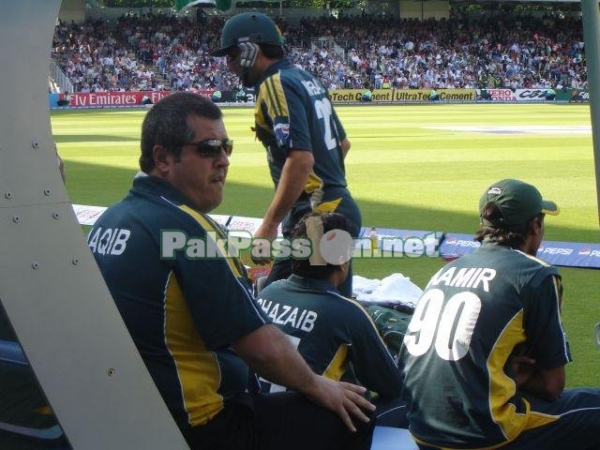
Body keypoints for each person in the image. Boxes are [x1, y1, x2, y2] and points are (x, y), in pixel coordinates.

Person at [87, 92, 375, 450]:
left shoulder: (109, 220)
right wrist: (320, 386)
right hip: (199, 424)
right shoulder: (189, 231)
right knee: (356, 414)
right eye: (208, 148)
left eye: (228, 147)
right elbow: (260, 348)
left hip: (129, 410)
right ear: (162, 158)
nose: (223, 161)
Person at [400, 179, 600, 450]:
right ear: (535, 226)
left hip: (421, 430)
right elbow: (553, 385)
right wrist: (523, 377)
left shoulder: (447, 270)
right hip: (484, 434)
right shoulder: (535, 274)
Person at [211, 12, 362, 298]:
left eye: (231, 56)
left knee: (277, 304)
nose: (228, 65)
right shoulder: (306, 78)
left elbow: (301, 159)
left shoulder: (274, 84)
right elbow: (343, 144)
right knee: (334, 312)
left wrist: (268, 227)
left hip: (318, 218)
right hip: (337, 209)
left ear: (250, 50)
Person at [256, 212, 408, 428]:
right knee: (406, 401)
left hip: (253, 420)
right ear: (341, 259)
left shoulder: (267, 292)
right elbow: (392, 386)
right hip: (299, 429)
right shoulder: (347, 312)